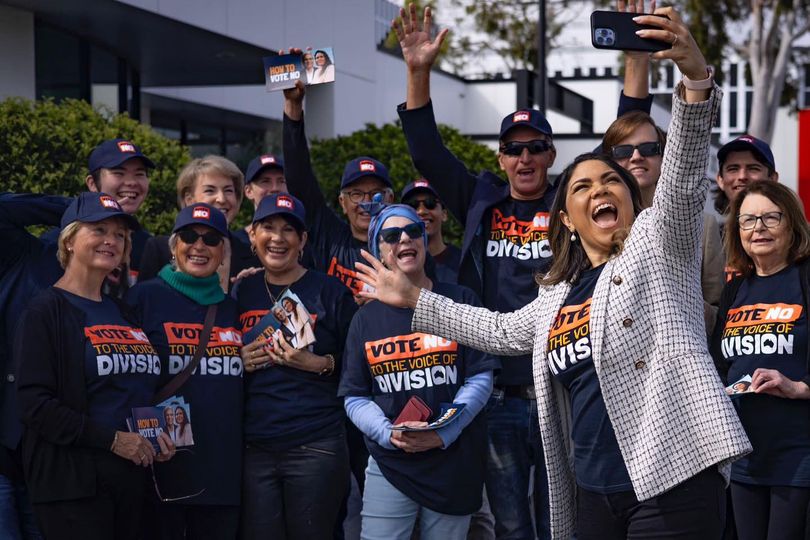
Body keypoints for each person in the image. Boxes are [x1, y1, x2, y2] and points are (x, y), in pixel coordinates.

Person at [359, 8, 751, 538]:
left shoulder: (659, 246)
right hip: (590, 483)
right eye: (583, 187)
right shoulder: (556, 291)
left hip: (669, 474)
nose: (599, 190)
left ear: (633, 200)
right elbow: (497, 330)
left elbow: (679, 179)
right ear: (565, 217)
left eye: (610, 181)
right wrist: (413, 299)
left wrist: (694, 82)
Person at [391, 5, 655, 536]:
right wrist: (418, 72)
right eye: (513, 149)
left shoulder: (572, 199)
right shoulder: (478, 200)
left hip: (564, 386)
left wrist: (635, 59)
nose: (525, 157)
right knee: (511, 522)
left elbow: (623, 139)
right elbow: (426, 151)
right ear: (502, 159)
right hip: (502, 391)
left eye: (536, 147)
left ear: (552, 153)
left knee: (564, 518)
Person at [14, 192, 174, 540]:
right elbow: (34, 405)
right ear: (69, 240)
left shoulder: (124, 311)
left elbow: (135, 389)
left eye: (119, 234)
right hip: (74, 489)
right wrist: (113, 440)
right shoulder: (45, 311)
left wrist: (155, 437)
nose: (111, 240)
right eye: (99, 229)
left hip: (134, 484)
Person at [339, 202, 497, 540]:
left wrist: (444, 431)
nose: (405, 239)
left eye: (414, 231)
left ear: (425, 241)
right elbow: (354, 397)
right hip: (390, 464)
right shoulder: (365, 320)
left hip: (453, 462)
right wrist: (387, 434)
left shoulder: (460, 299)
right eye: (392, 235)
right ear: (378, 251)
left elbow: (481, 377)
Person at [236, 193, 357, 540]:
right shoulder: (239, 291)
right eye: (268, 228)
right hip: (254, 448)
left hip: (316, 445)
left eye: (289, 230)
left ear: (303, 240)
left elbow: (360, 366)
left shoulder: (330, 291)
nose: (277, 238)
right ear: (252, 236)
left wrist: (318, 363)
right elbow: (217, 355)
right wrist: (237, 361)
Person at [126, 202, 243, 539]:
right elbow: (126, 378)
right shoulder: (143, 298)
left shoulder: (232, 308)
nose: (199, 246)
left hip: (222, 473)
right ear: (174, 246)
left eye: (211, 239)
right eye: (190, 236)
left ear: (223, 252)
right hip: (163, 468)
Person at [709, 181, 810, 540]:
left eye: (770, 217)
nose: (759, 228)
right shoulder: (736, 289)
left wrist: (799, 387)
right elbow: (721, 363)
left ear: (792, 224)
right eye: (748, 220)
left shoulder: (804, 278)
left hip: (797, 456)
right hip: (744, 457)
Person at [602, 111, 725, 333]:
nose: (636, 157)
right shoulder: (596, 228)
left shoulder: (704, 226)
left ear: (664, 156)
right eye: (623, 151)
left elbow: (719, 312)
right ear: (609, 162)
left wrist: (677, 306)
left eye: (649, 149)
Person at [138, 155, 256, 291]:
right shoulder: (159, 249)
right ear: (189, 199)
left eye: (228, 190)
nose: (222, 199)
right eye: (210, 190)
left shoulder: (251, 254)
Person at [401, 179, 461, 284]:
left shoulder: (464, 263)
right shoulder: (396, 264)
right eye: (412, 205)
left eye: (430, 203)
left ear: (444, 214)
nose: (421, 211)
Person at [713, 135, 779, 226]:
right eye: (733, 169)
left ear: (772, 179)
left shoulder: (790, 231)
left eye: (753, 168)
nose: (742, 176)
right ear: (720, 180)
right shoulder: (703, 234)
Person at [234, 153, 288, 246]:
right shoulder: (235, 243)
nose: (275, 188)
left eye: (281, 181)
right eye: (265, 181)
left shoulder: (302, 241)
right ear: (249, 191)